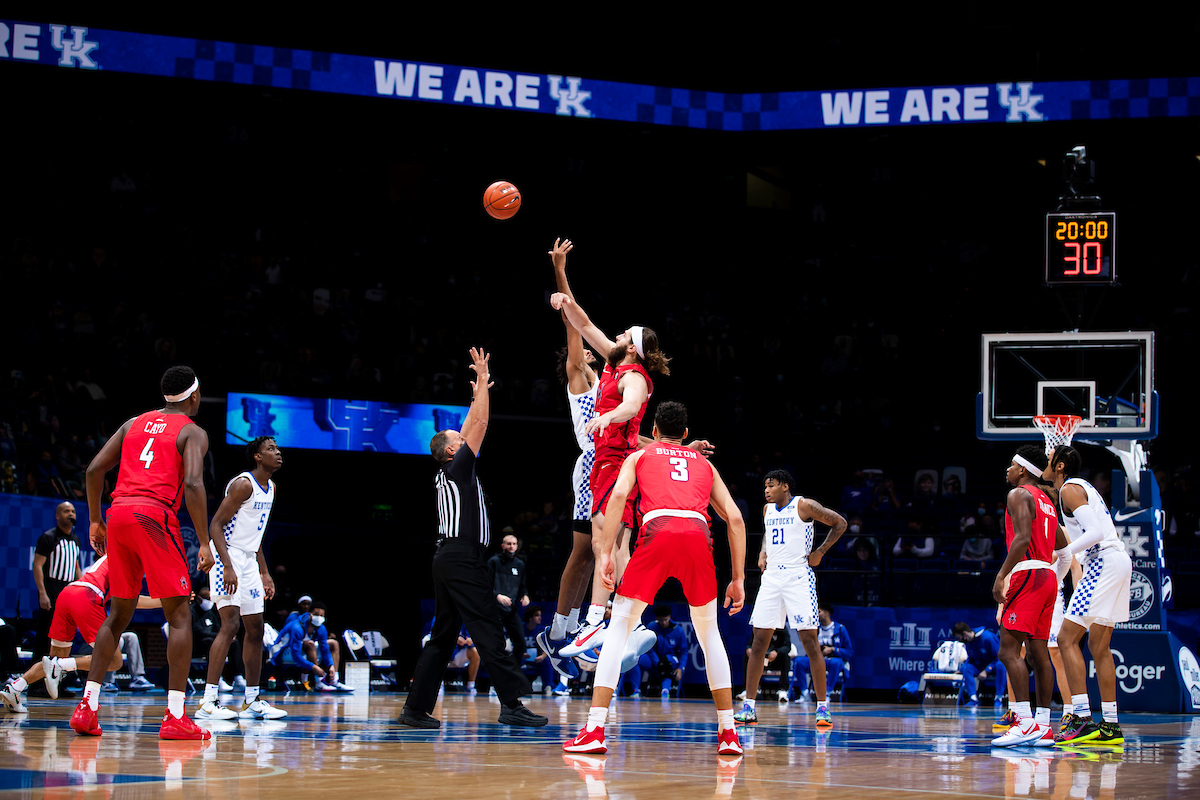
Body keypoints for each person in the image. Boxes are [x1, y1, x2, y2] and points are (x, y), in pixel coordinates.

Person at [563, 401, 746, 756]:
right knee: (710, 635)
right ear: (686, 435)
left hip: (656, 530)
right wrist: (738, 578)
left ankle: (595, 729)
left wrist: (604, 553)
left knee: (619, 626)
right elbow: (735, 519)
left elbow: (617, 497)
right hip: (696, 534)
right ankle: (729, 734)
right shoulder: (706, 465)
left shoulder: (640, 457)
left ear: (656, 431)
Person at [73, 366, 237, 740]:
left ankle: (87, 707)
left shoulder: (133, 423)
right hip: (153, 516)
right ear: (194, 397)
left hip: (119, 515)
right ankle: (176, 716)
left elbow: (95, 468)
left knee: (118, 613)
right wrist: (204, 540)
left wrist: (96, 520)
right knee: (179, 613)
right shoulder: (193, 431)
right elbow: (194, 483)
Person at [398, 348, 547, 729]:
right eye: (457, 439)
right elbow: (479, 424)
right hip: (461, 557)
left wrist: (477, 391)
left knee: (443, 634)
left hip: (449, 557)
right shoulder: (458, 467)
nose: (464, 440)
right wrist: (482, 381)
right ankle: (512, 703)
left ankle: (415, 710)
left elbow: (469, 427)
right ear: (452, 450)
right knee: (486, 626)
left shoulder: (452, 469)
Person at [548, 244, 672, 656]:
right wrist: (562, 281)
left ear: (633, 346)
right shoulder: (613, 365)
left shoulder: (632, 375)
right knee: (610, 545)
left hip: (612, 462)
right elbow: (580, 321)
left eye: (623, 335)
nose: (615, 335)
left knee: (606, 545)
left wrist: (610, 417)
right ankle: (619, 624)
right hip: (606, 460)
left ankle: (599, 623)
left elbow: (633, 407)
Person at [735, 470, 847, 727]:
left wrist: (820, 551)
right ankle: (749, 707)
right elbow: (768, 534)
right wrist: (763, 551)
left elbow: (840, 523)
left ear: (785, 486)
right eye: (764, 486)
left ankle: (822, 707)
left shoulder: (804, 505)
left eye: (771, 485)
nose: (766, 490)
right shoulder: (767, 510)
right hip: (772, 578)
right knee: (759, 640)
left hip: (798, 576)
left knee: (810, 640)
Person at [1044, 445, 1133, 745]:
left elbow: (1094, 532)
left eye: (1049, 459)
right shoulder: (1082, 488)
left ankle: (1081, 718)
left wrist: (1064, 552)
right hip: (1118, 562)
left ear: (1060, 466)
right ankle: (1110, 725)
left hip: (1104, 562)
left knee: (1065, 639)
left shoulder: (1069, 488)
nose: (1046, 461)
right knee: (1099, 646)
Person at [538, 237, 598, 682]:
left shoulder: (607, 384)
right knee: (585, 554)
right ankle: (563, 631)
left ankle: (570, 630)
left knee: (596, 556)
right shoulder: (580, 379)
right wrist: (560, 272)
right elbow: (573, 322)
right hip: (592, 467)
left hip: (610, 465)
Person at [196, 436, 287, 721]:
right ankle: (208, 701)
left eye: (277, 448)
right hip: (228, 554)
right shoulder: (243, 484)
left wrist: (263, 571)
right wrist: (227, 565)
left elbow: (256, 536)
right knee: (231, 624)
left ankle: (251, 701)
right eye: (271, 449)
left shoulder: (270, 487)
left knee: (256, 627)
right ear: (258, 457)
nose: (278, 452)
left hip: (248, 558)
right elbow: (216, 525)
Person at [2, 555, 160, 713]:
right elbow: (132, 601)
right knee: (114, 660)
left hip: (68, 593)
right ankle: (61, 666)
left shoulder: (115, 552)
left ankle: (15, 688)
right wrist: (166, 601)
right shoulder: (132, 560)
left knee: (53, 658)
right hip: (88, 596)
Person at [990, 445, 1062, 747]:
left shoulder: (1019, 494)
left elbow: (1020, 539)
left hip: (1028, 573)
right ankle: (1043, 725)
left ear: (1022, 470)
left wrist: (1002, 575)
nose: (1007, 470)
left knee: (1008, 650)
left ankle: (1023, 721)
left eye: (1011, 465)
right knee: (1038, 653)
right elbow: (1062, 545)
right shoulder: (1046, 499)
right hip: (1048, 576)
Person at [32, 502, 83, 672]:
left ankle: (60, 681)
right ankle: (37, 684)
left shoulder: (76, 540)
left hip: (68, 593)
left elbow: (76, 569)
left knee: (65, 638)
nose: (71, 514)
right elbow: (37, 565)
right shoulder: (48, 537)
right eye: (66, 511)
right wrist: (42, 593)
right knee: (45, 637)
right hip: (52, 590)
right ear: (57, 516)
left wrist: (83, 591)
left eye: (73, 511)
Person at [269, 600, 347, 691]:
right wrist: (313, 667)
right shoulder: (297, 627)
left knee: (333, 643)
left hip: (300, 650)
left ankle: (334, 679)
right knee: (310, 644)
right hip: (282, 652)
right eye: (316, 614)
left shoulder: (321, 628)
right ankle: (319, 682)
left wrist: (331, 665)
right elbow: (296, 655)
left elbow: (325, 649)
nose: (319, 617)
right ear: (310, 614)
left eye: (321, 615)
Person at [792, 605, 854, 702]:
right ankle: (805, 694)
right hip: (818, 659)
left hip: (832, 660)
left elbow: (849, 652)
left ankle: (827, 694)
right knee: (799, 662)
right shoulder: (815, 629)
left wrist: (833, 649)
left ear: (826, 613)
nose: (816, 615)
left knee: (836, 663)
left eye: (819, 612)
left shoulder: (840, 629)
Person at [487, 532, 529, 673]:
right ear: (502, 545)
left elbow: (522, 586)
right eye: (509, 544)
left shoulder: (519, 564)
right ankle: (496, 675)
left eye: (514, 544)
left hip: (511, 611)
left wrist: (525, 595)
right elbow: (486, 586)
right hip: (495, 610)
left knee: (520, 644)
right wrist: (497, 596)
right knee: (496, 645)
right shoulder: (494, 562)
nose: (511, 546)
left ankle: (513, 675)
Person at [952, 622, 1006, 707]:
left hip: (994, 665)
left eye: (959, 638)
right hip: (981, 666)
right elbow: (971, 660)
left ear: (965, 634)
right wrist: (961, 670)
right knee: (966, 668)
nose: (960, 640)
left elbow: (999, 657)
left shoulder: (987, 637)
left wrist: (987, 670)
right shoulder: (969, 643)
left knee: (1001, 665)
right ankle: (973, 699)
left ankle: (999, 698)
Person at [646, 606, 689, 698]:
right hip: (654, 659)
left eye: (665, 619)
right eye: (661, 620)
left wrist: (681, 668)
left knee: (666, 663)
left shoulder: (678, 630)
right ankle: (635, 690)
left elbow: (684, 651)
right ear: (657, 619)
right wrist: (657, 662)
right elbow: (649, 648)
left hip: (670, 659)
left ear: (669, 617)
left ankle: (665, 690)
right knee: (636, 659)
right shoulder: (651, 627)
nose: (663, 622)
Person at [742, 627, 791, 703]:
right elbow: (750, 644)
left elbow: (787, 646)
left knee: (785, 657)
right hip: (761, 658)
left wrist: (777, 652)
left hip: (775, 660)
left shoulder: (782, 628)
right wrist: (749, 648)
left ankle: (783, 690)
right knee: (748, 657)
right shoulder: (760, 627)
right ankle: (748, 689)